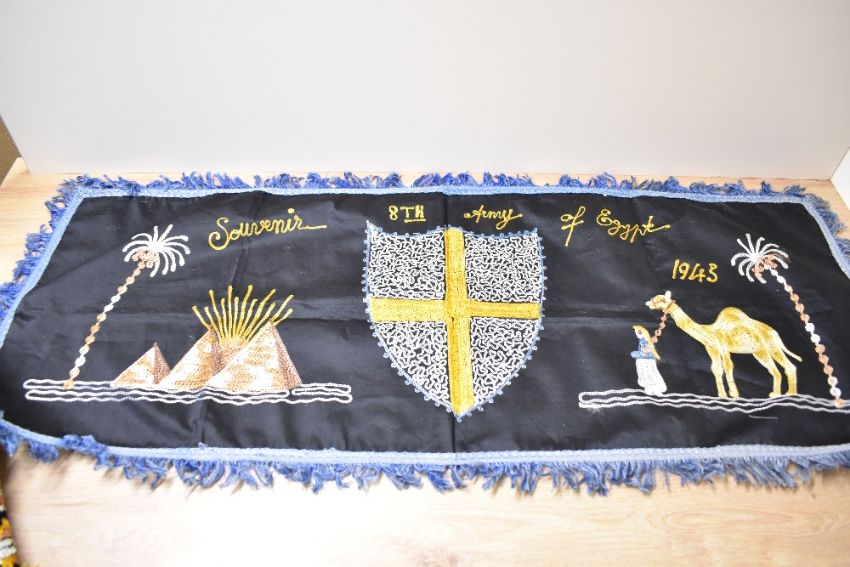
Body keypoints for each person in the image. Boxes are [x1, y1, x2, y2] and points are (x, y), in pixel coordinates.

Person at [631, 325, 667, 396]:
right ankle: (650, 387)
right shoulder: (643, 341)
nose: (637, 334)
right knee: (646, 372)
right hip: (644, 359)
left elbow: (648, 349)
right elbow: (644, 349)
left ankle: (655, 387)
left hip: (648, 359)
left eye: (639, 332)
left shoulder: (646, 341)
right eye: (637, 333)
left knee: (651, 372)